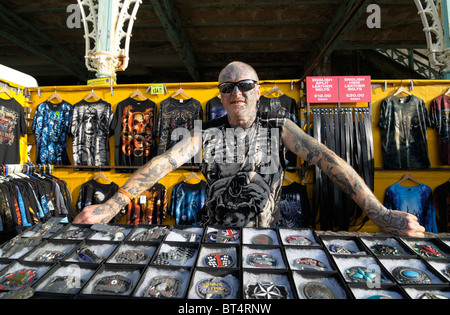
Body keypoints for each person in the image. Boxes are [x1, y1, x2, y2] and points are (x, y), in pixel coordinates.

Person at [73, 61, 425, 237]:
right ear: (221, 96)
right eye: (228, 87)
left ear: (257, 91)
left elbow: (329, 161)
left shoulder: (279, 127)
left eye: (244, 85)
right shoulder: (205, 132)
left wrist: (379, 213)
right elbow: (164, 163)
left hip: (264, 240)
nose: (236, 92)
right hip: (212, 237)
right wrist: (112, 206)